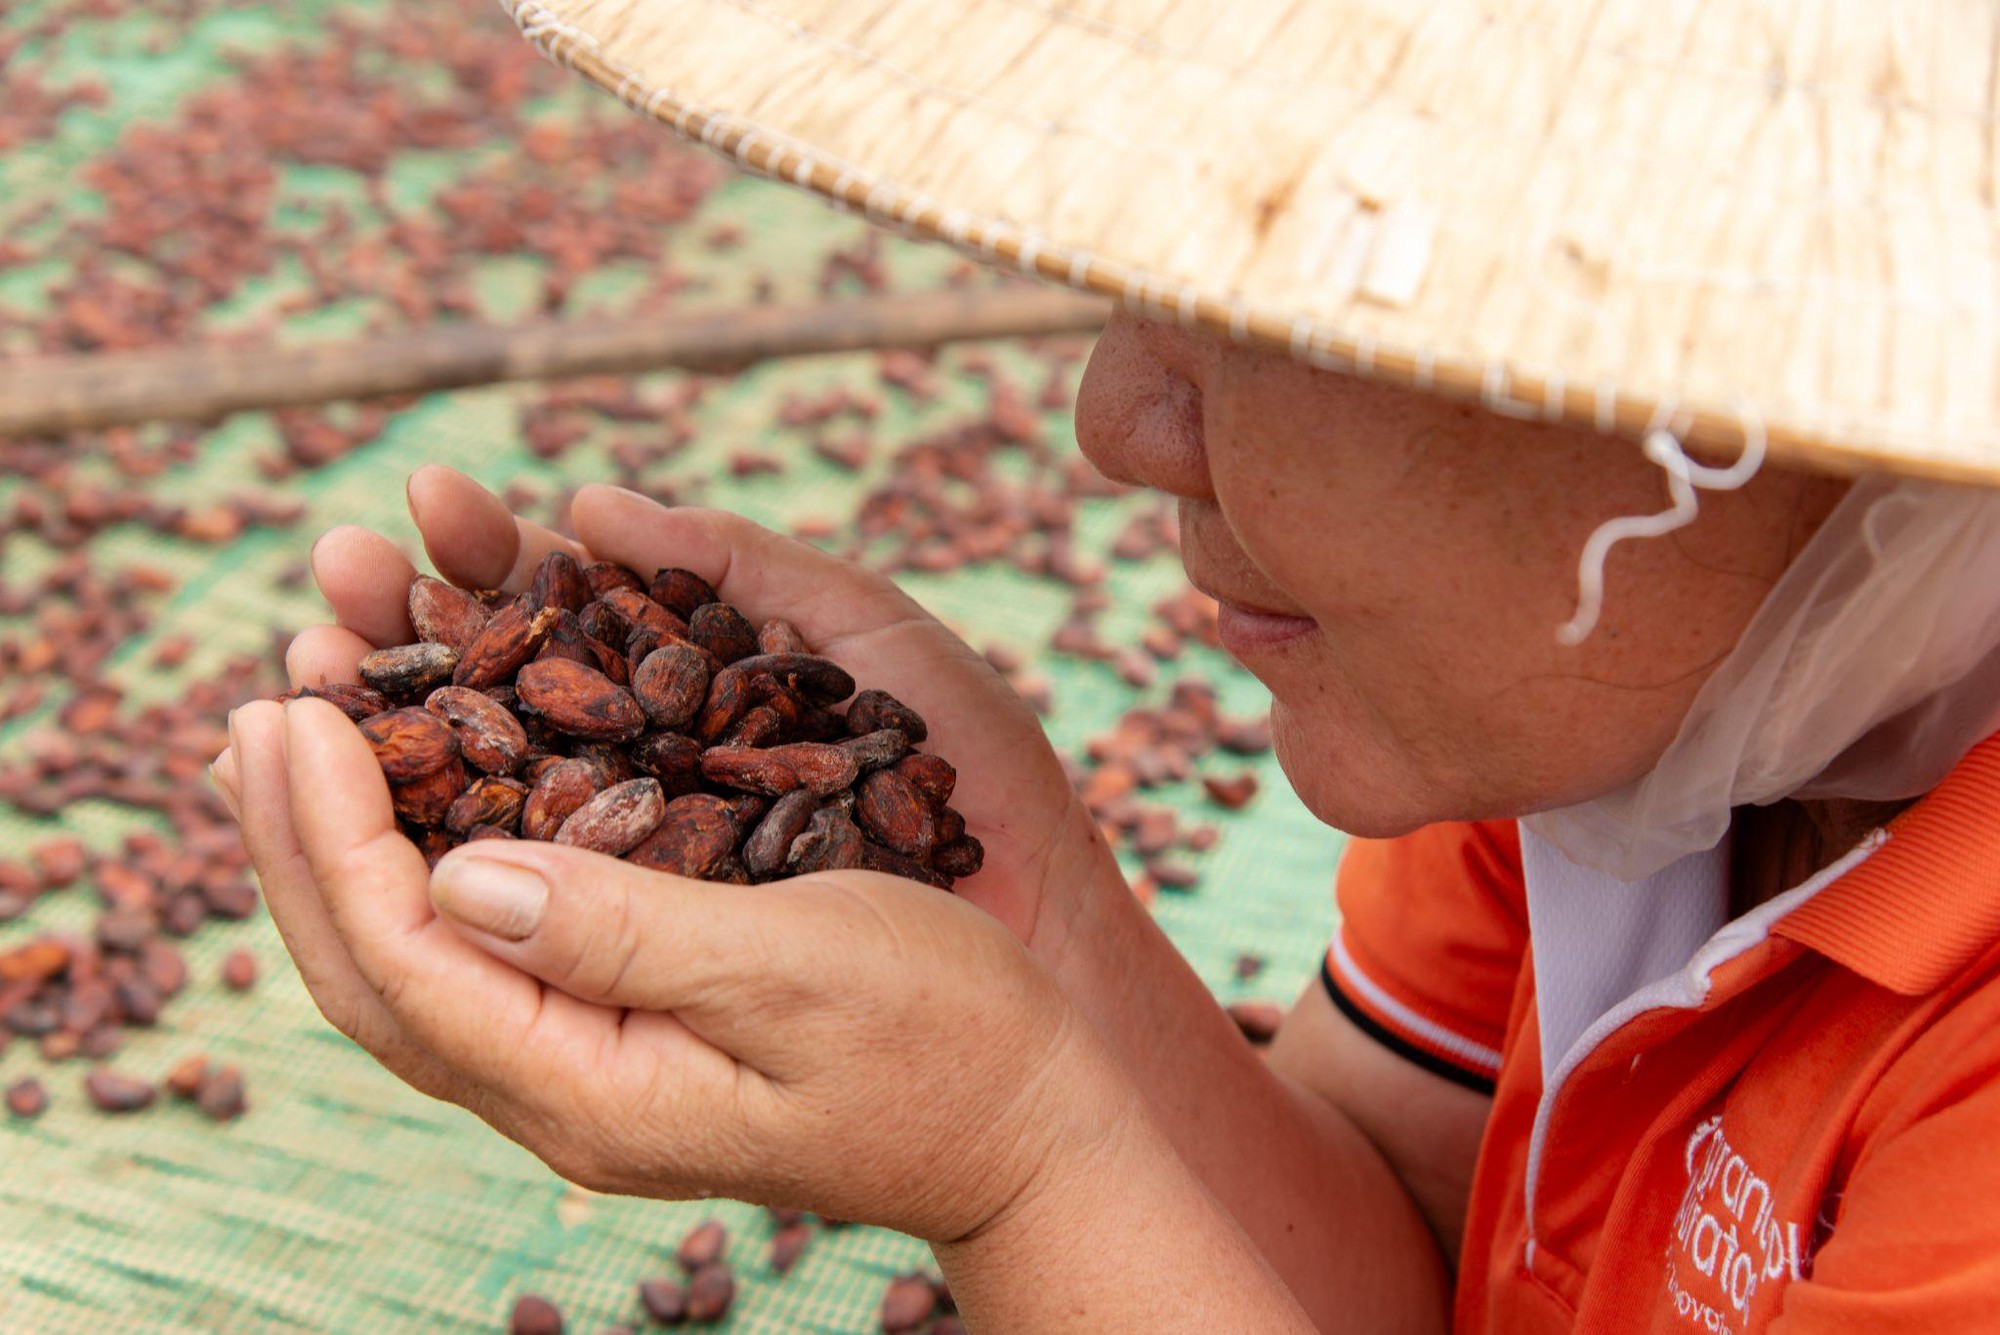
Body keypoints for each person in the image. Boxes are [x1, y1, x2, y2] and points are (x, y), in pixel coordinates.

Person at [213, 3, 2000, 1330]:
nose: (1116, 421)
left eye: (1293, 304)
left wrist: (1021, 1171)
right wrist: (1044, 923)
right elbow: (1401, 1252)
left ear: (1763, 392)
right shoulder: (1608, 733)